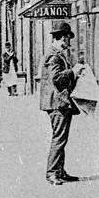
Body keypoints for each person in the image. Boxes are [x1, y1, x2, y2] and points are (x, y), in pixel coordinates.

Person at [40, 21, 80, 185]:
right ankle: (52, 173)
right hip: (57, 103)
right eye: (68, 38)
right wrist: (73, 71)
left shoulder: (58, 53)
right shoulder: (53, 55)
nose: (69, 41)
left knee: (61, 137)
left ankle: (59, 171)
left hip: (60, 102)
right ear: (62, 38)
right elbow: (56, 79)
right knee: (59, 138)